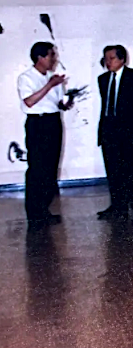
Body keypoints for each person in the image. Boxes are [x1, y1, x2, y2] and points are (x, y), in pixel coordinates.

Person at [17, 42, 73, 229]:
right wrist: (50, 85)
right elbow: (29, 101)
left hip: (53, 121)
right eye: (51, 55)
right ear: (40, 57)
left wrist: (66, 103)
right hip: (37, 124)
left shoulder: (52, 78)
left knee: (50, 167)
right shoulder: (26, 78)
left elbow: (56, 103)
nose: (54, 59)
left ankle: (44, 210)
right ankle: (34, 214)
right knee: (37, 168)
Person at [96, 44, 133, 225]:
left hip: (129, 132)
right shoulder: (103, 79)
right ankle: (118, 206)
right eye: (106, 59)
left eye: (111, 58)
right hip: (109, 131)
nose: (108, 62)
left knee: (132, 170)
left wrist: (132, 122)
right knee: (113, 171)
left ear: (122, 59)